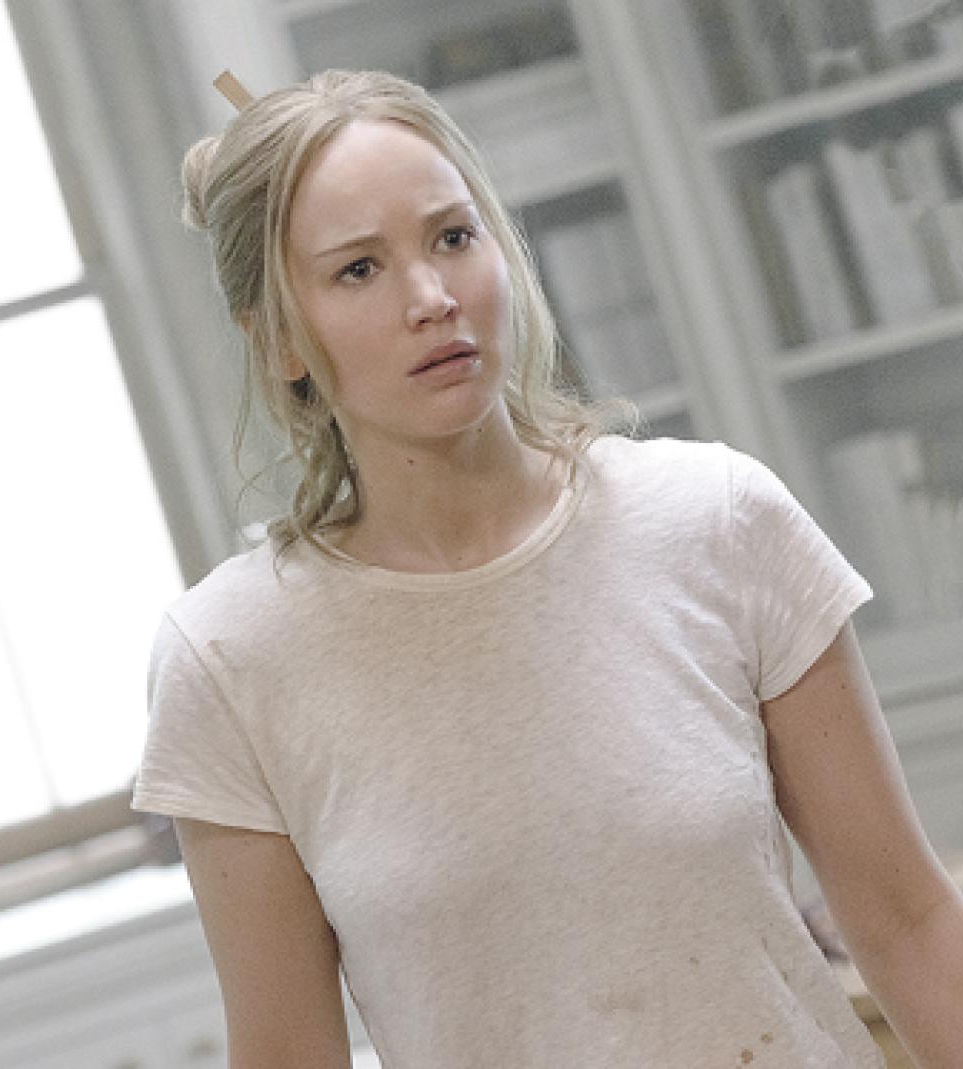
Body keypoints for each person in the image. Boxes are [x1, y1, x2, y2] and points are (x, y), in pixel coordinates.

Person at [129, 68, 963, 1067]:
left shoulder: (717, 518)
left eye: (452, 237)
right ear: (275, 341)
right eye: (358, 269)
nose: (432, 298)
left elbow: (909, 920)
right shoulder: (229, 661)